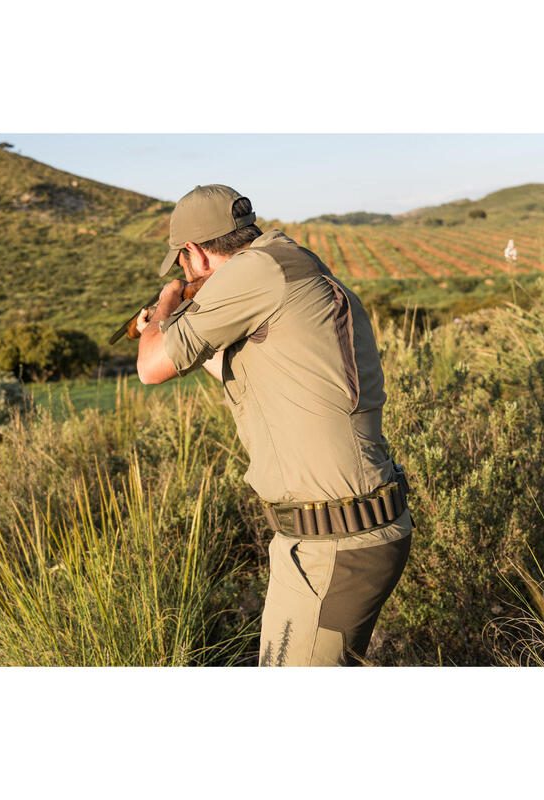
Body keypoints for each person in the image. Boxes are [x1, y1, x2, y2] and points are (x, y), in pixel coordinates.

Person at [135, 184, 412, 667]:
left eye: (180, 263)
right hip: (329, 534)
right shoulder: (285, 264)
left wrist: (164, 309)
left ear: (196, 254)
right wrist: (186, 328)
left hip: (334, 542)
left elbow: (150, 367)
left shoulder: (255, 272)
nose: (182, 272)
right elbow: (243, 370)